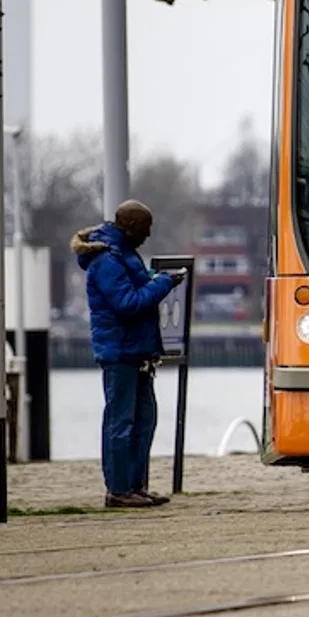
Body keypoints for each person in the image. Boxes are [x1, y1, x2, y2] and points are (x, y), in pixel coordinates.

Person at [73, 200, 185, 509]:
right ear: (131, 227)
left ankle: (136, 486)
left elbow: (133, 289)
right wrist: (162, 283)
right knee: (121, 422)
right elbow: (128, 303)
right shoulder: (107, 260)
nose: (148, 236)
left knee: (144, 420)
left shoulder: (121, 253)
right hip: (120, 352)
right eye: (146, 229)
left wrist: (155, 279)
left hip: (137, 351)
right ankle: (119, 489)